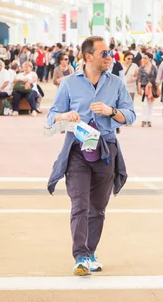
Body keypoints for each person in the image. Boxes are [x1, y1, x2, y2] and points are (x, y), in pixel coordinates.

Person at [47, 36, 136, 276]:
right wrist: (65, 116)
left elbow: (130, 115)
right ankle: (81, 256)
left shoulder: (116, 83)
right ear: (89, 57)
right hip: (77, 149)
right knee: (80, 204)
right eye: (104, 53)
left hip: (105, 149)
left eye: (110, 53)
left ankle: (91, 252)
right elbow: (51, 116)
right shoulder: (68, 83)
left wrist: (112, 111)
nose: (110, 57)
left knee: (98, 207)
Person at [138, 52, 158, 128]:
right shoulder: (141, 68)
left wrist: (157, 88)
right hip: (144, 87)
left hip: (152, 88)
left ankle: (149, 120)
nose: (143, 59)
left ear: (150, 59)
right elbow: (139, 79)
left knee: (151, 104)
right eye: (143, 58)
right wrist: (139, 88)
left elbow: (157, 78)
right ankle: (144, 119)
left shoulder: (154, 68)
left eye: (145, 58)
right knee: (144, 104)